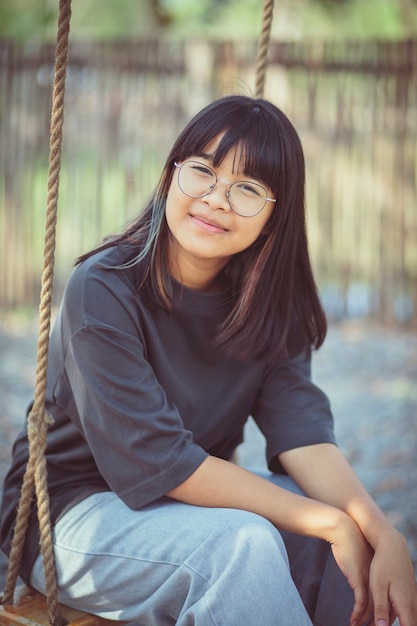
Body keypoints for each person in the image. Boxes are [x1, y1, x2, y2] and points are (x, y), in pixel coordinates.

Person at [1, 95, 416, 626]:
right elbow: (160, 459)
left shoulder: (271, 306)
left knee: (346, 539)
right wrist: (327, 521)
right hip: (71, 514)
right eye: (201, 171)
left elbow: (304, 436)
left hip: (187, 506)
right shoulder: (103, 289)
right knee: (243, 546)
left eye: (248, 188)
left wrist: (379, 530)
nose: (217, 199)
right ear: (171, 177)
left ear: (274, 215)